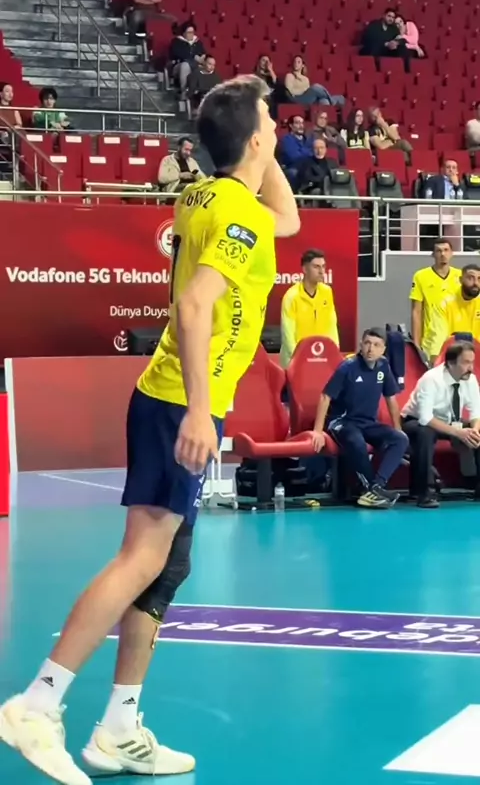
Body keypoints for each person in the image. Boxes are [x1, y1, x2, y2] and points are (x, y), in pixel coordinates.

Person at [0, 74, 300, 785]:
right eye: (270, 121)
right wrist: (198, 409)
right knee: (141, 558)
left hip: (173, 396)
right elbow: (195, 307)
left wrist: (256, 143)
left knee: (167, 566)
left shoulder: (204, 195)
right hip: (178, 403)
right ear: (256, 139)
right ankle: (36, 706)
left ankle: (119, 728)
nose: (276, 128)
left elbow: (286, 218)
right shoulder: (238, 215)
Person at [312, 327, 408, 508]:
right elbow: (325, 396)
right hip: (341, 422)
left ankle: (377, 486)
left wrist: (397, 428)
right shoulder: (347, 367)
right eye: (367, 343)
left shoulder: (384, 367)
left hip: (368, 423)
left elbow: (391, 398)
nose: (371, 349)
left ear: (383, 349)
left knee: (400, 439)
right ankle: (371, 489)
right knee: (356, 440)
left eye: (376, 345)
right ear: (361, 345)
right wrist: (317, 431)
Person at [402, 341, 480, 508]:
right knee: (425, 432)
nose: (471, 368)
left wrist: (474, 431)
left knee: (478, 432)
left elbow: (476, 412)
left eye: (472, 362)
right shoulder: (431, 379)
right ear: (450, 363)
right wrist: (459, 433)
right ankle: (425, 493)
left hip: (450, 419)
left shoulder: (470, 379)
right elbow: (425, 418)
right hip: (415, 420)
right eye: (466, 363)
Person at [280, 247, 339, 367]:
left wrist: (334, 353)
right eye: (316, 267)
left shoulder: (327, 292)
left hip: (322, 357)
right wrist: (298, 359)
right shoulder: (291, 296)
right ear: (305, 269)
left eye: (323, 266)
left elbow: (332, 326)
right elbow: (288, 334)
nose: (321, 271)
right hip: (296, 360)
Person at [410, 237, 461, 353]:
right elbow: (416, 311)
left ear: (452, 253)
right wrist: (416, 343)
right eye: (438, 251)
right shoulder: (421, 276)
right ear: (433, 254)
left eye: (446, 250)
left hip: (456, 338)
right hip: (432, 340)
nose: (443, 254)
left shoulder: (460, 276)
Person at [423, 264, 480, 362]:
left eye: (479, 279)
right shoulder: (445, 303)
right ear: (461, 280)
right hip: (448, 354)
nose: (475, 283)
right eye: (470, 278)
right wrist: (435, 362)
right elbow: (438, 336)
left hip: (474, 354)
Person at [169, 22, 206, 99]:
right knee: (185, 65)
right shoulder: (176, 42)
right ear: (184, 33)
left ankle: (203, 93)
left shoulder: (198, 42)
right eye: (189, 32)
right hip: (179, 66)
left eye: (192, 32)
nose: (191, 34)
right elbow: (178, 54)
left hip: (195, 65)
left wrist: (203, 57)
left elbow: (202, 53)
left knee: (206, 66)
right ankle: (184, 92)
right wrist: (194, 57)